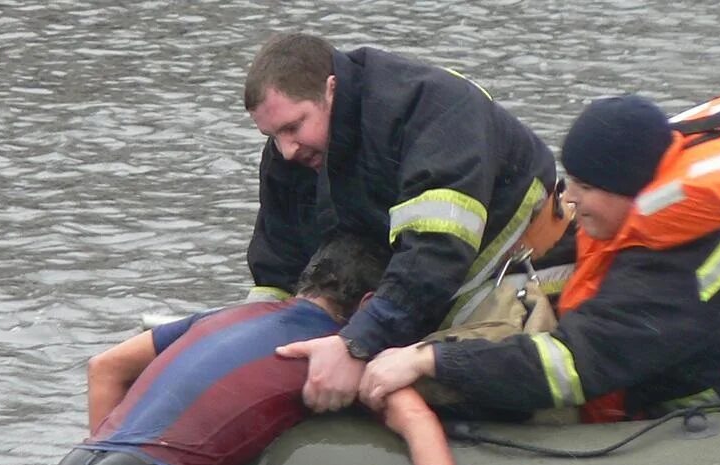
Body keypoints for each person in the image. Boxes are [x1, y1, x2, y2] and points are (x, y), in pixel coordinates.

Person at [359, 90, 720, 422]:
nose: (568, 199)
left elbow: (568, 367)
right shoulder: (664, 212)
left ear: (633, 191)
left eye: (586, 187)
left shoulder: (672, 270)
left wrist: (432, 361)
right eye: (571, 180)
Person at [43, 235, 485, 465]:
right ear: (369, 303)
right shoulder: (334, 355)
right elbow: (417, 421)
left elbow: (104, 366)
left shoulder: (226, 317)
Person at [244, 32, 570, 414]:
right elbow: (277, 267)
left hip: (509, 278)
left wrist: (356, 344)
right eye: (272, 136)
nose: (285, 150)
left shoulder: (433, 110)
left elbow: (434, 256)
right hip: (409, 293)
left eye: (293, 128)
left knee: (406, 392)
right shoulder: (294, 155)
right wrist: (256, 339)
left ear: (331, 90)